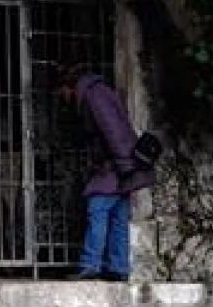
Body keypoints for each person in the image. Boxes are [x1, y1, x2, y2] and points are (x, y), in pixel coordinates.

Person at [55, 66, 155, 282]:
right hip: (121, 161)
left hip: (116, 163)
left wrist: (124, 164)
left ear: (68, 87)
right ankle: (118, 267)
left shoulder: (93, 95)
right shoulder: (97, 91)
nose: (61, 98)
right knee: (118, 212)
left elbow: (113, 130)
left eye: (60, 92)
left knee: (97, 207)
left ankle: (91, 264)